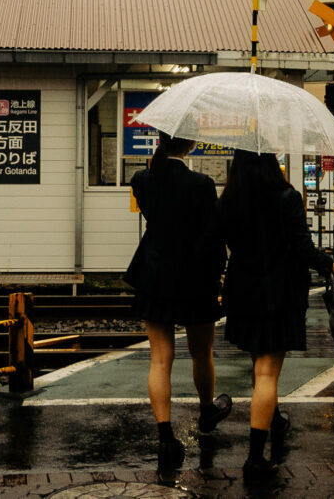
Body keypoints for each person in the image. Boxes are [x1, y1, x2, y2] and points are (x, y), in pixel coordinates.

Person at [217, 150, 334, 482]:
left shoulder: (230, 200)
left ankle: (275, 419)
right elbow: (302, 246)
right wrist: (327, 262)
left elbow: (221, 240)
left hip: (242, 291)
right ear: (271, 163)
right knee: (268, 372)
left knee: (260, 365)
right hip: (279, 293)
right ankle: (255, 459)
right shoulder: (287, 197)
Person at [125, 132, 231, 474]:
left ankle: (165, 437)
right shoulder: (202, 184)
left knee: (160, 358)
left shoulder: (142, 179)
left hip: (154, 275)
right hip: (195, 278)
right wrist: (219, 273)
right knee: (202, 352)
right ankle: (206, 411)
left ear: (161, 139)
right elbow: (211, 233)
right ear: (191, 145)